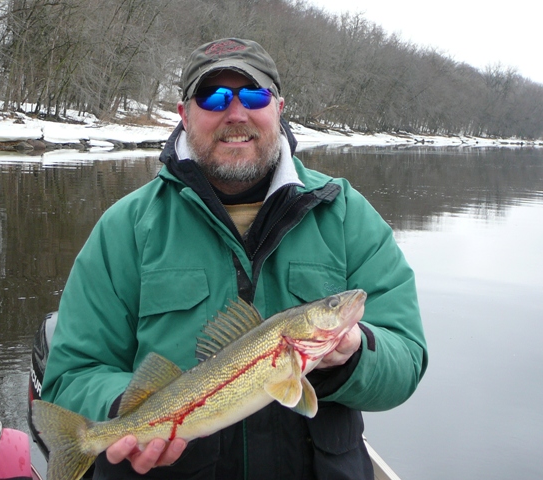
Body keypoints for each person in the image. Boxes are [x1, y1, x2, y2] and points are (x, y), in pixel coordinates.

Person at [40, 38, 428, 480]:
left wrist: (356, 355)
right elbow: (71, 377)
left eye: (255, 95)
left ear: (279, 108)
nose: (237, 113)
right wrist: (127, 413)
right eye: (214, 97)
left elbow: (406, 359)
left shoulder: (344, 213)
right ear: (184, 114)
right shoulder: (125, 227)